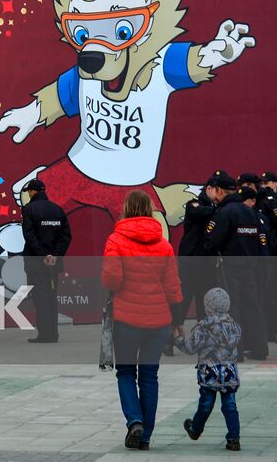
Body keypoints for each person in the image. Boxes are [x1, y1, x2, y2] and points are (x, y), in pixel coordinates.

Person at [102, 189, 180, 450]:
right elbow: (172, 287)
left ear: (126, 209)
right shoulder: (164, 244)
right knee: (149, 377)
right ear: (149, 210)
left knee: (125, 372)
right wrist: (177, 319)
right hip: (158, 321)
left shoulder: (115, 240)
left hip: (126, 320)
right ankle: (145, 436)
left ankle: (134, 420)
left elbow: (111, 280)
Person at [205, 177, 269, 360]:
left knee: (231, 307)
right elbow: (260, 241)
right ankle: (259, 349)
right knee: (253, 306)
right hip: (250, 265)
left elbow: (211, 241)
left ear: (218, 190)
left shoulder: (225, 213)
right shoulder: (250, 212)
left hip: (230, 266)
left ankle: (235, 350)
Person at [175, 287, 243, 452]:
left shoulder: (203, 327)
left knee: (206, 404)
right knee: (230, 405)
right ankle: (234, 438)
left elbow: (191, 347)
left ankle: (195, 430)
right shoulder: (234, 326)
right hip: (228, 373)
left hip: (209, 373)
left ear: (208, 307)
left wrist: (178, 340)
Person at [20, 178, 71, 344]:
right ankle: (53, 333)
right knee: (51, 296)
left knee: (40, 297)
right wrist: (55, 255)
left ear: (33, 192)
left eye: (29, 192)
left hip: (36, 264)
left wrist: (43, 255)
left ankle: (45, 334)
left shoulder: (29, 209)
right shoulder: (57, 210)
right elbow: (66, 236)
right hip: (53, 264)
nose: (28, 194)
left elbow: (29, 236)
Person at [175, 173, 226, 326]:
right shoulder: (195, 203)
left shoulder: (218, 208)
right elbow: (199, 212)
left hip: (208, 262)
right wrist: (219, 210)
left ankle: (204, 337)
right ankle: (170, 337)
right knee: (183, 298)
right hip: (190, 261)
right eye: (217, 190)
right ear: (209, 188)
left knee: (205, 301)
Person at [260, 171, 277, 343]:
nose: (265, 186)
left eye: (269, 182)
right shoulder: (263, 200)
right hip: (270, 253)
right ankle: (271, 330)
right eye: (263, 183)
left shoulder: (271, 201)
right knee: (270, 293)